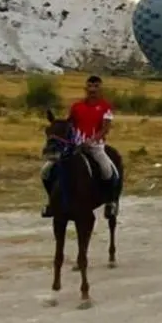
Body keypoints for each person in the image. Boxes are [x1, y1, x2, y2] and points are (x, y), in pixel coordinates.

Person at [41, 74, 119, 218]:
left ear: (100, 88)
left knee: (108, 170)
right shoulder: (77, 106)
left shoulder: (105, 107)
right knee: (46, 171)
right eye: (90, 86)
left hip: (95, 146)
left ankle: (110, 202)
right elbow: (70, 124)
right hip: (75, 145)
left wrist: (91, 141)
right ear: (86, 88)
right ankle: (51, 203)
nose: (92, 89)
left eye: (96, 86)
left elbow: (105, 129)